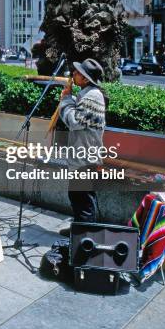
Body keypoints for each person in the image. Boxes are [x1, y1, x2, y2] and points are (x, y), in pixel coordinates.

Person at [57, 58, 107, 235]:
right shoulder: (87, 92)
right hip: (82, 157)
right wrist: (69, 99)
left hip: (86, 159)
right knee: (76, 196)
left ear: (86, 79)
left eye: (78, 73)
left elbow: (74, 121)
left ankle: (85, 240)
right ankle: (79, 231)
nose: (74, 74)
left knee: (84, 201)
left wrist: (66, 99)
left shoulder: (92, 95)